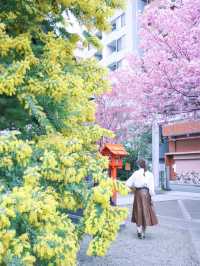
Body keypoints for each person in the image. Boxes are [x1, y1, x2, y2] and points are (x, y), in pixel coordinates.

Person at [125, 159, 158, 239]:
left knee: (138, 212)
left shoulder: (136, 173)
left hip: (138, 194)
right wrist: (151, 196)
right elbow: (151, 188)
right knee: (145, 212)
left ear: (138, 165)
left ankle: (139, 231)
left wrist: (133, 189)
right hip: (146, 194)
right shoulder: (150, 174)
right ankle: (143, 233)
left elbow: (127, 183)